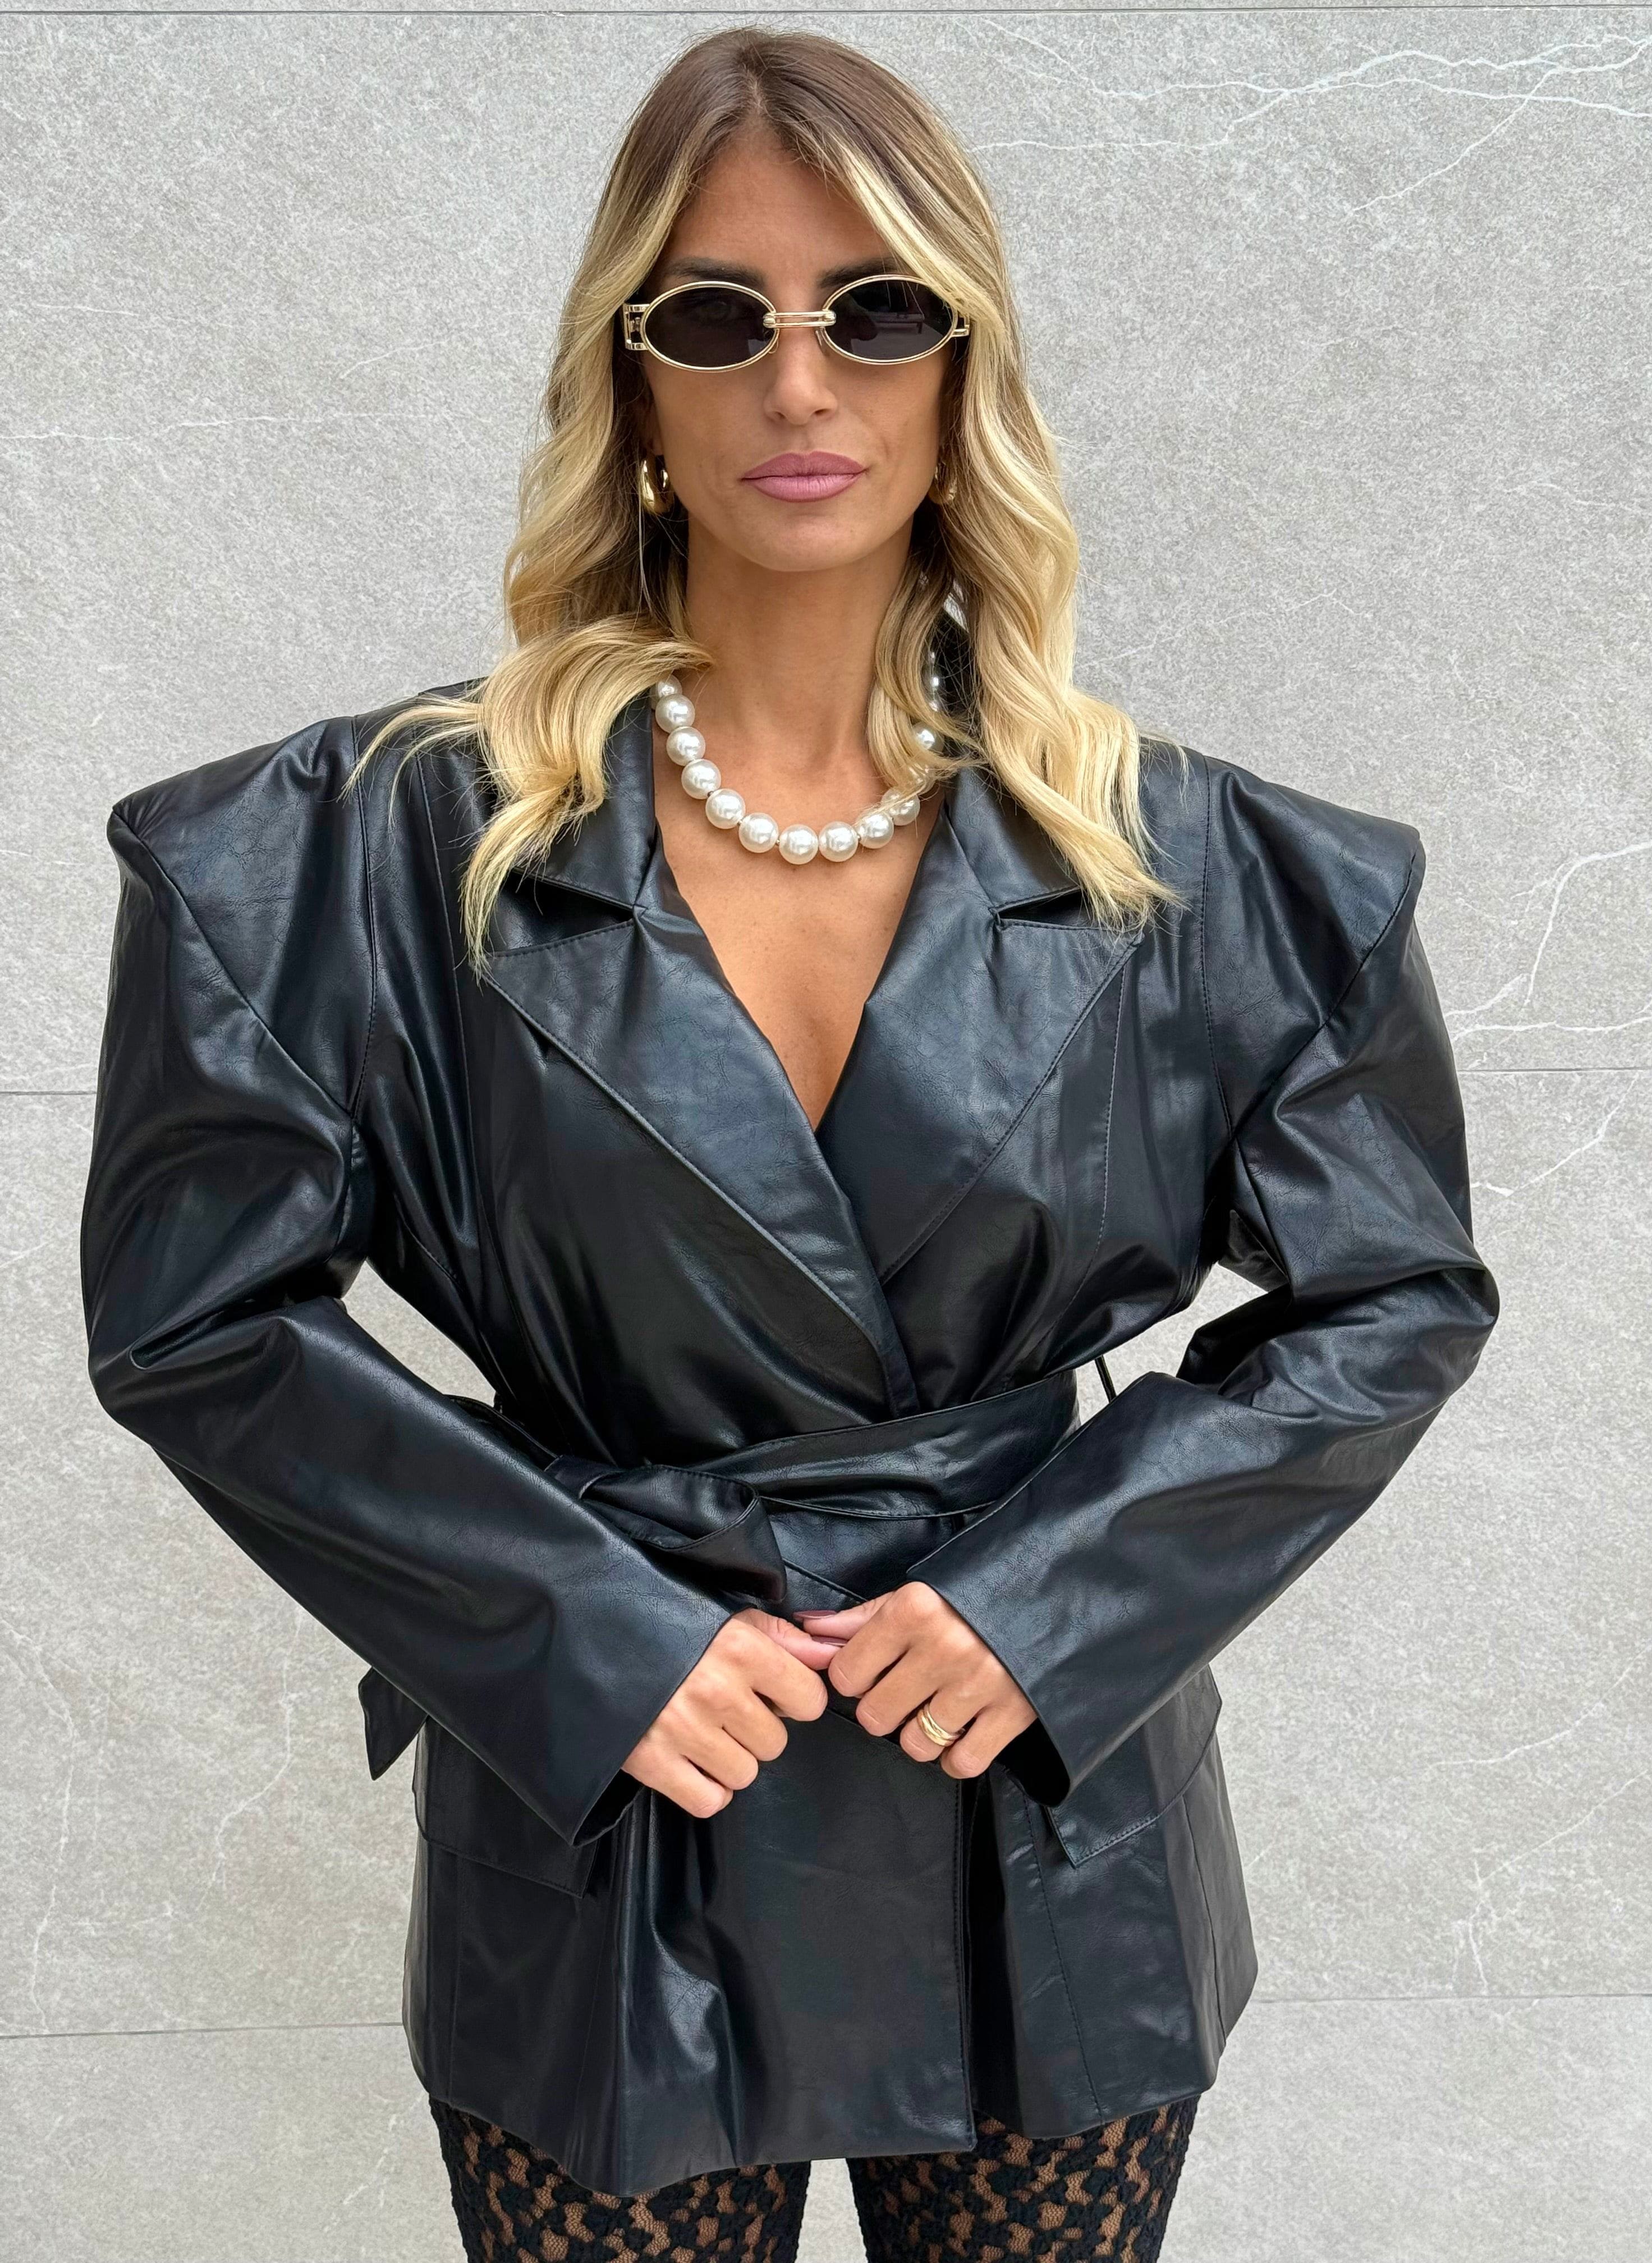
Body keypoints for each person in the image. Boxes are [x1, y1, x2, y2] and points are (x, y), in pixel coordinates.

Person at [79, 26, 1499, 2263]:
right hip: (616, 1802)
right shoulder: (350, 857)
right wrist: (587, 1629)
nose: (802, 381)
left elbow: (1394, 1291)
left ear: (966, 362)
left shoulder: (1213, 877)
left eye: (879, 309)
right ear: (631, 380)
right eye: (719, 317)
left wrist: (1049, 1600)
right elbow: (197, 1321)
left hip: (1037, 1817)